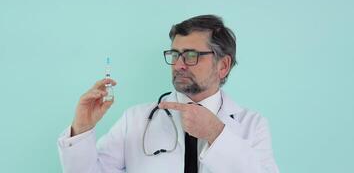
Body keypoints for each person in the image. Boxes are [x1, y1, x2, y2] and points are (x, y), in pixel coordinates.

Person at [57, 15, 279, 173]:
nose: (179, 64)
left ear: (223, 65)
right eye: (175, 54)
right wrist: (82, 129)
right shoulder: (135, 120)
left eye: (191, 55)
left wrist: (216, 134)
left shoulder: (252, 125)